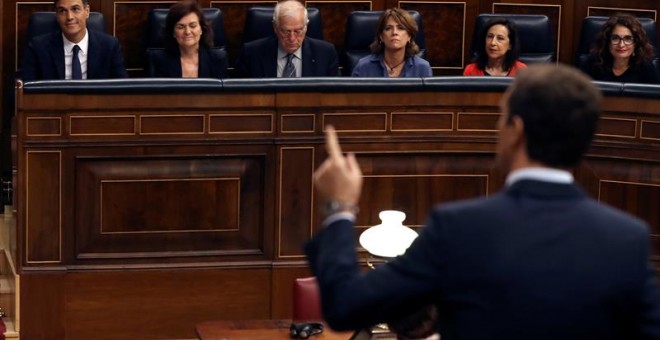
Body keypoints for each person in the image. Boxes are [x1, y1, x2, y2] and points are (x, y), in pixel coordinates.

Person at [306, 64, 660, 339]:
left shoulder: (459, 227)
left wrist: (339, 208)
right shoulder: (626, 239)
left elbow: (347, 305)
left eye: (501, 117)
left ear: (517, 131)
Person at [21, 0, 128, 81]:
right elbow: (26, 91)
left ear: (87, 11)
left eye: (75, 9)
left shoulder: (109, 46)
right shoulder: (38, 48)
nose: (69, 17)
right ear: (57, 16)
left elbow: (122, 89)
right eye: (62, 11)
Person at [235, 0, 339, 78]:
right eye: (285, 31)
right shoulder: (251, 54)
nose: (292, 38)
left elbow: (333, 97)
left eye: (298, 31)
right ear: (275, 27)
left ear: (306, 27)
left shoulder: (326, 54)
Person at [150, 1, 227, 78]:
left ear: (201, 29)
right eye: (181, 27)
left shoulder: (217, 59)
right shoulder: (159, 61)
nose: (187, 32)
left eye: (193, 26)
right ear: (173, 32)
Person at [351, 8, 432, 77]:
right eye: (388, 28)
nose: (394, 32)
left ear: (409, 36)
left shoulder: (422, 68)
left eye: (400, 28)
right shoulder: (363, 66)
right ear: (381, 36)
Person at [583, 14, 659, 84]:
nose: (621, 44)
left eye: (628, 39)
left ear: (636, 43)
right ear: (607, 41)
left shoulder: (646, 68)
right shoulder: (592, 64)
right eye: (615, 38)